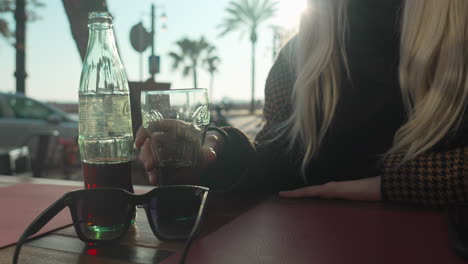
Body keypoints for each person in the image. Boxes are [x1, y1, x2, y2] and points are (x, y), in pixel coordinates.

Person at [136, 0, 468, 207]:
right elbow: (279, 159)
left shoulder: (459, 31)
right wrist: (216, 149)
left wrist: (393, 185)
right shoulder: (301, 53)